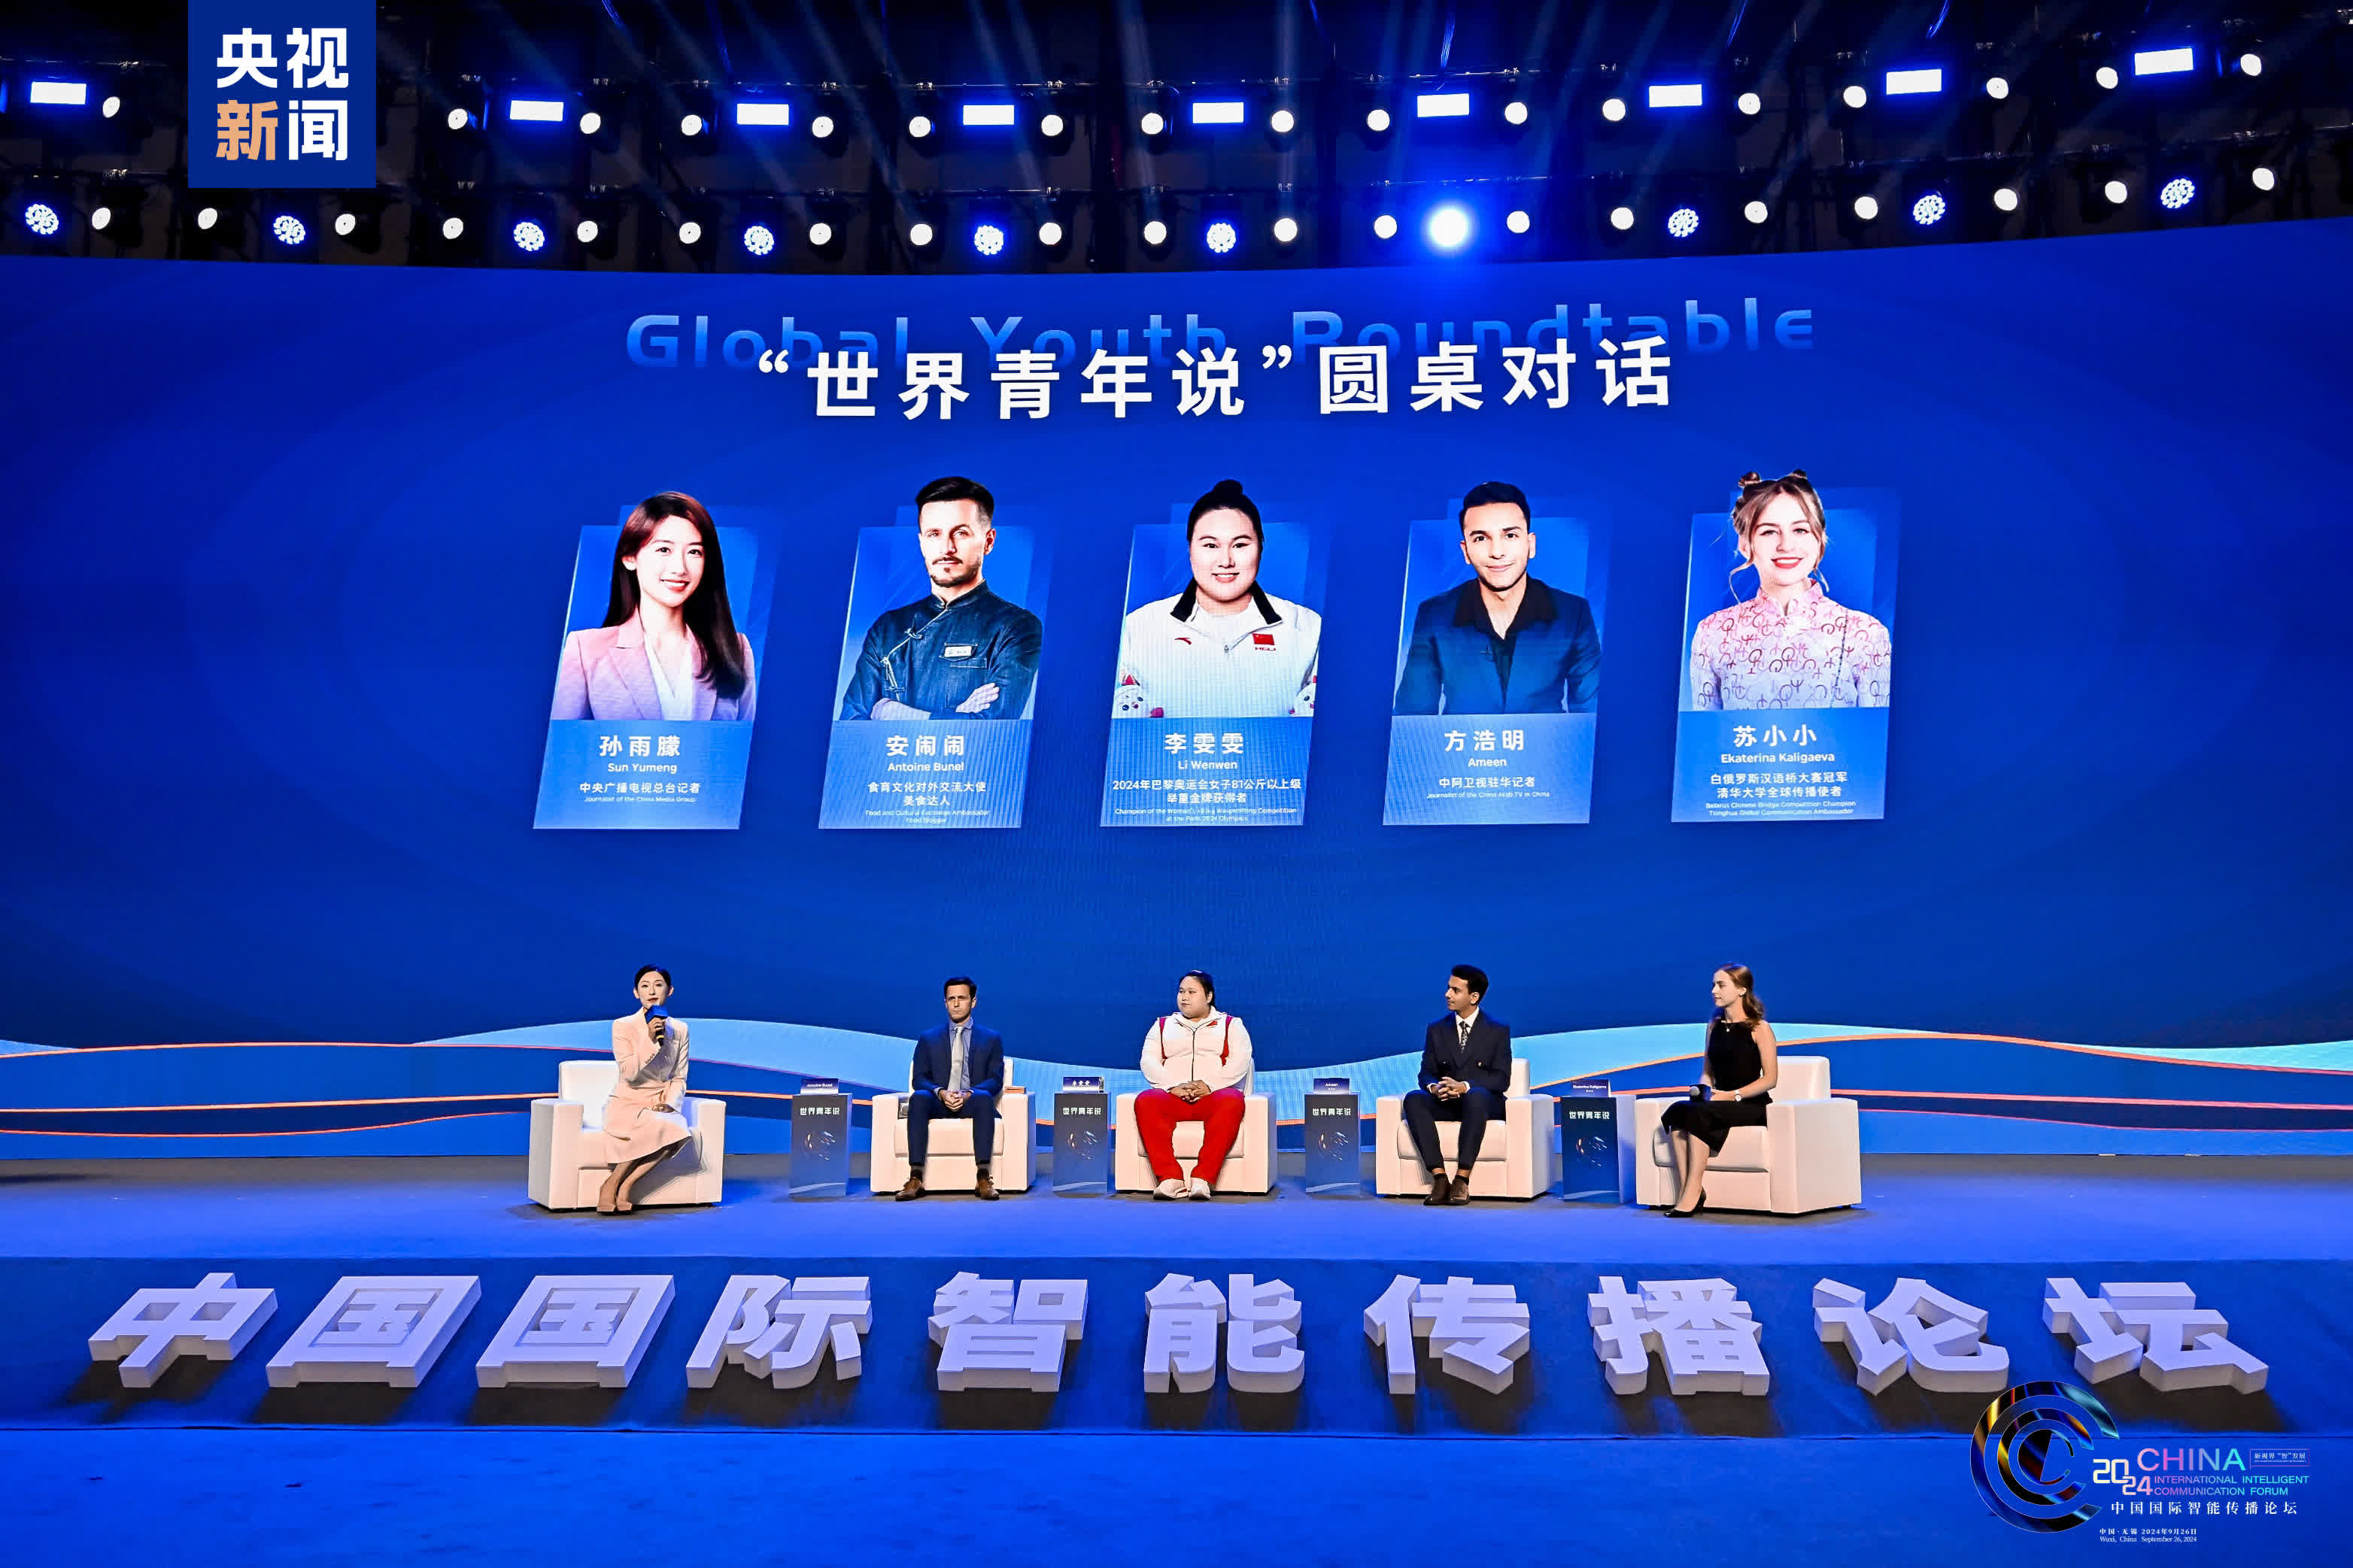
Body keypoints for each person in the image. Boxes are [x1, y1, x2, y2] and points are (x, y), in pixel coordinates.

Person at [839, 476, 1043, 721]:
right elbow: (852, 724)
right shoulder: (888, 628)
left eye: (961, 533)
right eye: (934, 534)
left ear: (988, 542)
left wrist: (892, 712)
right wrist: (955, 716)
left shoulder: (1016, 626)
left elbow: (992, 726)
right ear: (922, 543)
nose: (946, 548)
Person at [1113, 479, 1321, 719]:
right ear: (1190, 549)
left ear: (1260, 548)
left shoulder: (1306, 625)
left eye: (1240, 545)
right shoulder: (1138, 626)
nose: (1226, 561)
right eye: (1211, 545)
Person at [1689, 470, 1893, 711]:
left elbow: (1875, 731)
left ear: (1820, 541)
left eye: (1800, 530)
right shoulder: (1712, 633)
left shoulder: (1866, 634)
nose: (1786, 545)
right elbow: (1703, 732)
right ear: (1745, 546)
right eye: (1768, 531)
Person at [1393, 481, 1602, 714]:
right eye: (1481, 539)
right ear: (1466, 551)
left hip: (1548, 738)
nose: (1497, 552)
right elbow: (1412, 717)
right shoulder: (1434, 614)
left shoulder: (1573, 612)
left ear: (1530, 545)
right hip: (1462, 738)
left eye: (1510, 535)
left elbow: (1592, 714)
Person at [552, 492, 757, 722]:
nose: (680, 568)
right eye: (664, 550)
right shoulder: (586, 650)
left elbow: (750, 741)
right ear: (630, 557)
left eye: (694, 552)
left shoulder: (737, 649)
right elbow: (566, 743)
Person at [1658, 964, 1781, 1218]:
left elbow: (1770, 1080)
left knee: (1700, 1115)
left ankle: (1692, 1193)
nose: (1714, 990)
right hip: (1718, 1101)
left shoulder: (1760, 1028)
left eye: (1721, 985)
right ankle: (1691, 1189)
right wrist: (1703, 1089)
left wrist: (1732, 1095)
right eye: (1714, 985)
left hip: (1751, 1104)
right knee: (1679, 1111)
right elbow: (1707, 1071)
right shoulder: (1714, 1026)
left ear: (1742, 990)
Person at [1134, 970, 1255, 1200]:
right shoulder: (1162, 1025)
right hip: (1174, 1097)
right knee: (1146, 1100)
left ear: (1209, 996)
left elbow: (1240, 1061)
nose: (1184, 997)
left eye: (1191, 992)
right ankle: (1170, 1179)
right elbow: (1148, 1061)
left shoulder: (1231, 1025)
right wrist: (1173, 1086)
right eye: (1181, 992)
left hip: (1212, 1097)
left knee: (1232, 1099)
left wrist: (1209, 1085)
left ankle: (1202, 1179)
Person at [1401, 965, 1513, 1206]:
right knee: (1414, 1098)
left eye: (1455, 990)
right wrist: (1434, 1088)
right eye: (1448, 988)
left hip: (1483, 1104)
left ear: (1474, 997)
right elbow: (1426, 1073)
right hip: (1447, 1102)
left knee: (1477, 1096)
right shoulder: (1437, 1029)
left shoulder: (1497, 1030)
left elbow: (1502, 1079)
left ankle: (1462, 1179)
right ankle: (1440, 1178)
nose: (1447, 994)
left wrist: (1465, 1086)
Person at [896, 975, 1005, 1201]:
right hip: (939, 1102)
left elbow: (995, 1080)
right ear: (945, 1003)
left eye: (961, 998)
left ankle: (983, 1177)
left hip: (972, 1102)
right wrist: (941, 1092)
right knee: (919, 1097)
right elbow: (919, 1078)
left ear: (973, 1002)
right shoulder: (928, 1038)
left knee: (984, 1097)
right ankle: (915, 1178)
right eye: (951, 999)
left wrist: (968, 1094)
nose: (956, 1004)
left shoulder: (991, 1039)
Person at [600, 966, 694, 1214]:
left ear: (669, 991)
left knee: (677, 1130)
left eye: (658, 985)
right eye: (645, 986)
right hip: (628, 1103)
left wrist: (671, 1103)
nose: (652, 991)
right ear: (636, 993)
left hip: (659, 1103)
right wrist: (650, 1039)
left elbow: (679, 1076)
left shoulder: (680, 1029)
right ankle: (611, 1183)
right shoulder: (623, 1026)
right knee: (658, 1125)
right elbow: (629, 1072)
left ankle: (625, 1185)